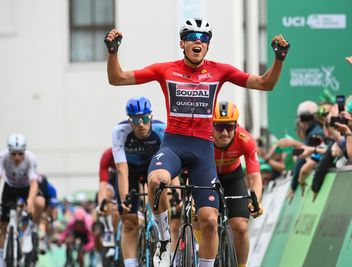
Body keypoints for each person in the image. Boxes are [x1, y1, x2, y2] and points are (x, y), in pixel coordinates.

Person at [105, 18, 289, 267]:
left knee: (210, 221)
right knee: (156, 180)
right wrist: (113, 52)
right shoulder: (166, 70)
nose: (198, 41)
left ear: (208, 46)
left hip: (203, 150)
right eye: (192, 36)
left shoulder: (220, 70)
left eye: (204, 38)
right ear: (182, 42)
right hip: (174, 146)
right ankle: (162, 237)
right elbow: (117, 78)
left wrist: (278, 59)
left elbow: (265, 84)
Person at [111, 96, 166, 267]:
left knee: (162, 190)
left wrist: (174, 192)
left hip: (153, 167)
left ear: (151, 116)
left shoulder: (162, 129)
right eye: (135, 119)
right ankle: (131, 264)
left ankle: (164, 241)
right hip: (131, 170)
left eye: (145, 118)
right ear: (130, 120)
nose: (140, 123)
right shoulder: (119, 132)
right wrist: (124, 198)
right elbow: (121, 169)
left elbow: (170, 164)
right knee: (129, 221)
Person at [212, 101, 263, 266]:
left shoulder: (245, 140)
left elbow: (255, 177)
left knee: (240, 227)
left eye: (230, 126)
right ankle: (201, 246)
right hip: (208, 177)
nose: (225, 132)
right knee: (204, 218)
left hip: (233, 177)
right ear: (211, 125)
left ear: (236, 125)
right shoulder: (202, 138)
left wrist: (255, 201)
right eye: (219, 127)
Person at [0, 134, 45, 264]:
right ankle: (2, 257)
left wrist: (30, 200)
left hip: (27, 187)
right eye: (13, 154)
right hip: (10, 187)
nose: (17, 157)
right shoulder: (3, 157)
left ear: (24, 151)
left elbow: (34, 182)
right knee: (3, 224)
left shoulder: (30, 158)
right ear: (9, 152)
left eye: (20, 154)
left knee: (39, 202)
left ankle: (31, 227)